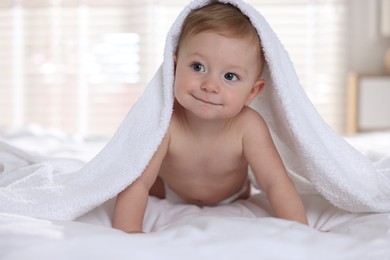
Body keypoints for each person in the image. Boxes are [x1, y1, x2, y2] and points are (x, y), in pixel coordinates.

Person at [113, 2, 308, 233]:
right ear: (173, 68)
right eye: (197, 67)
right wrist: (128, 232)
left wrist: (302, 231)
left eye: (230, 76)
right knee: (143, 178)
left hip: (232, 195)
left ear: (252, 92)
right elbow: (138, 181)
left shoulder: (249, 126)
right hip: (168, 190)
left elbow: (275, 182)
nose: (210, 85)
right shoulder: (166, 121)